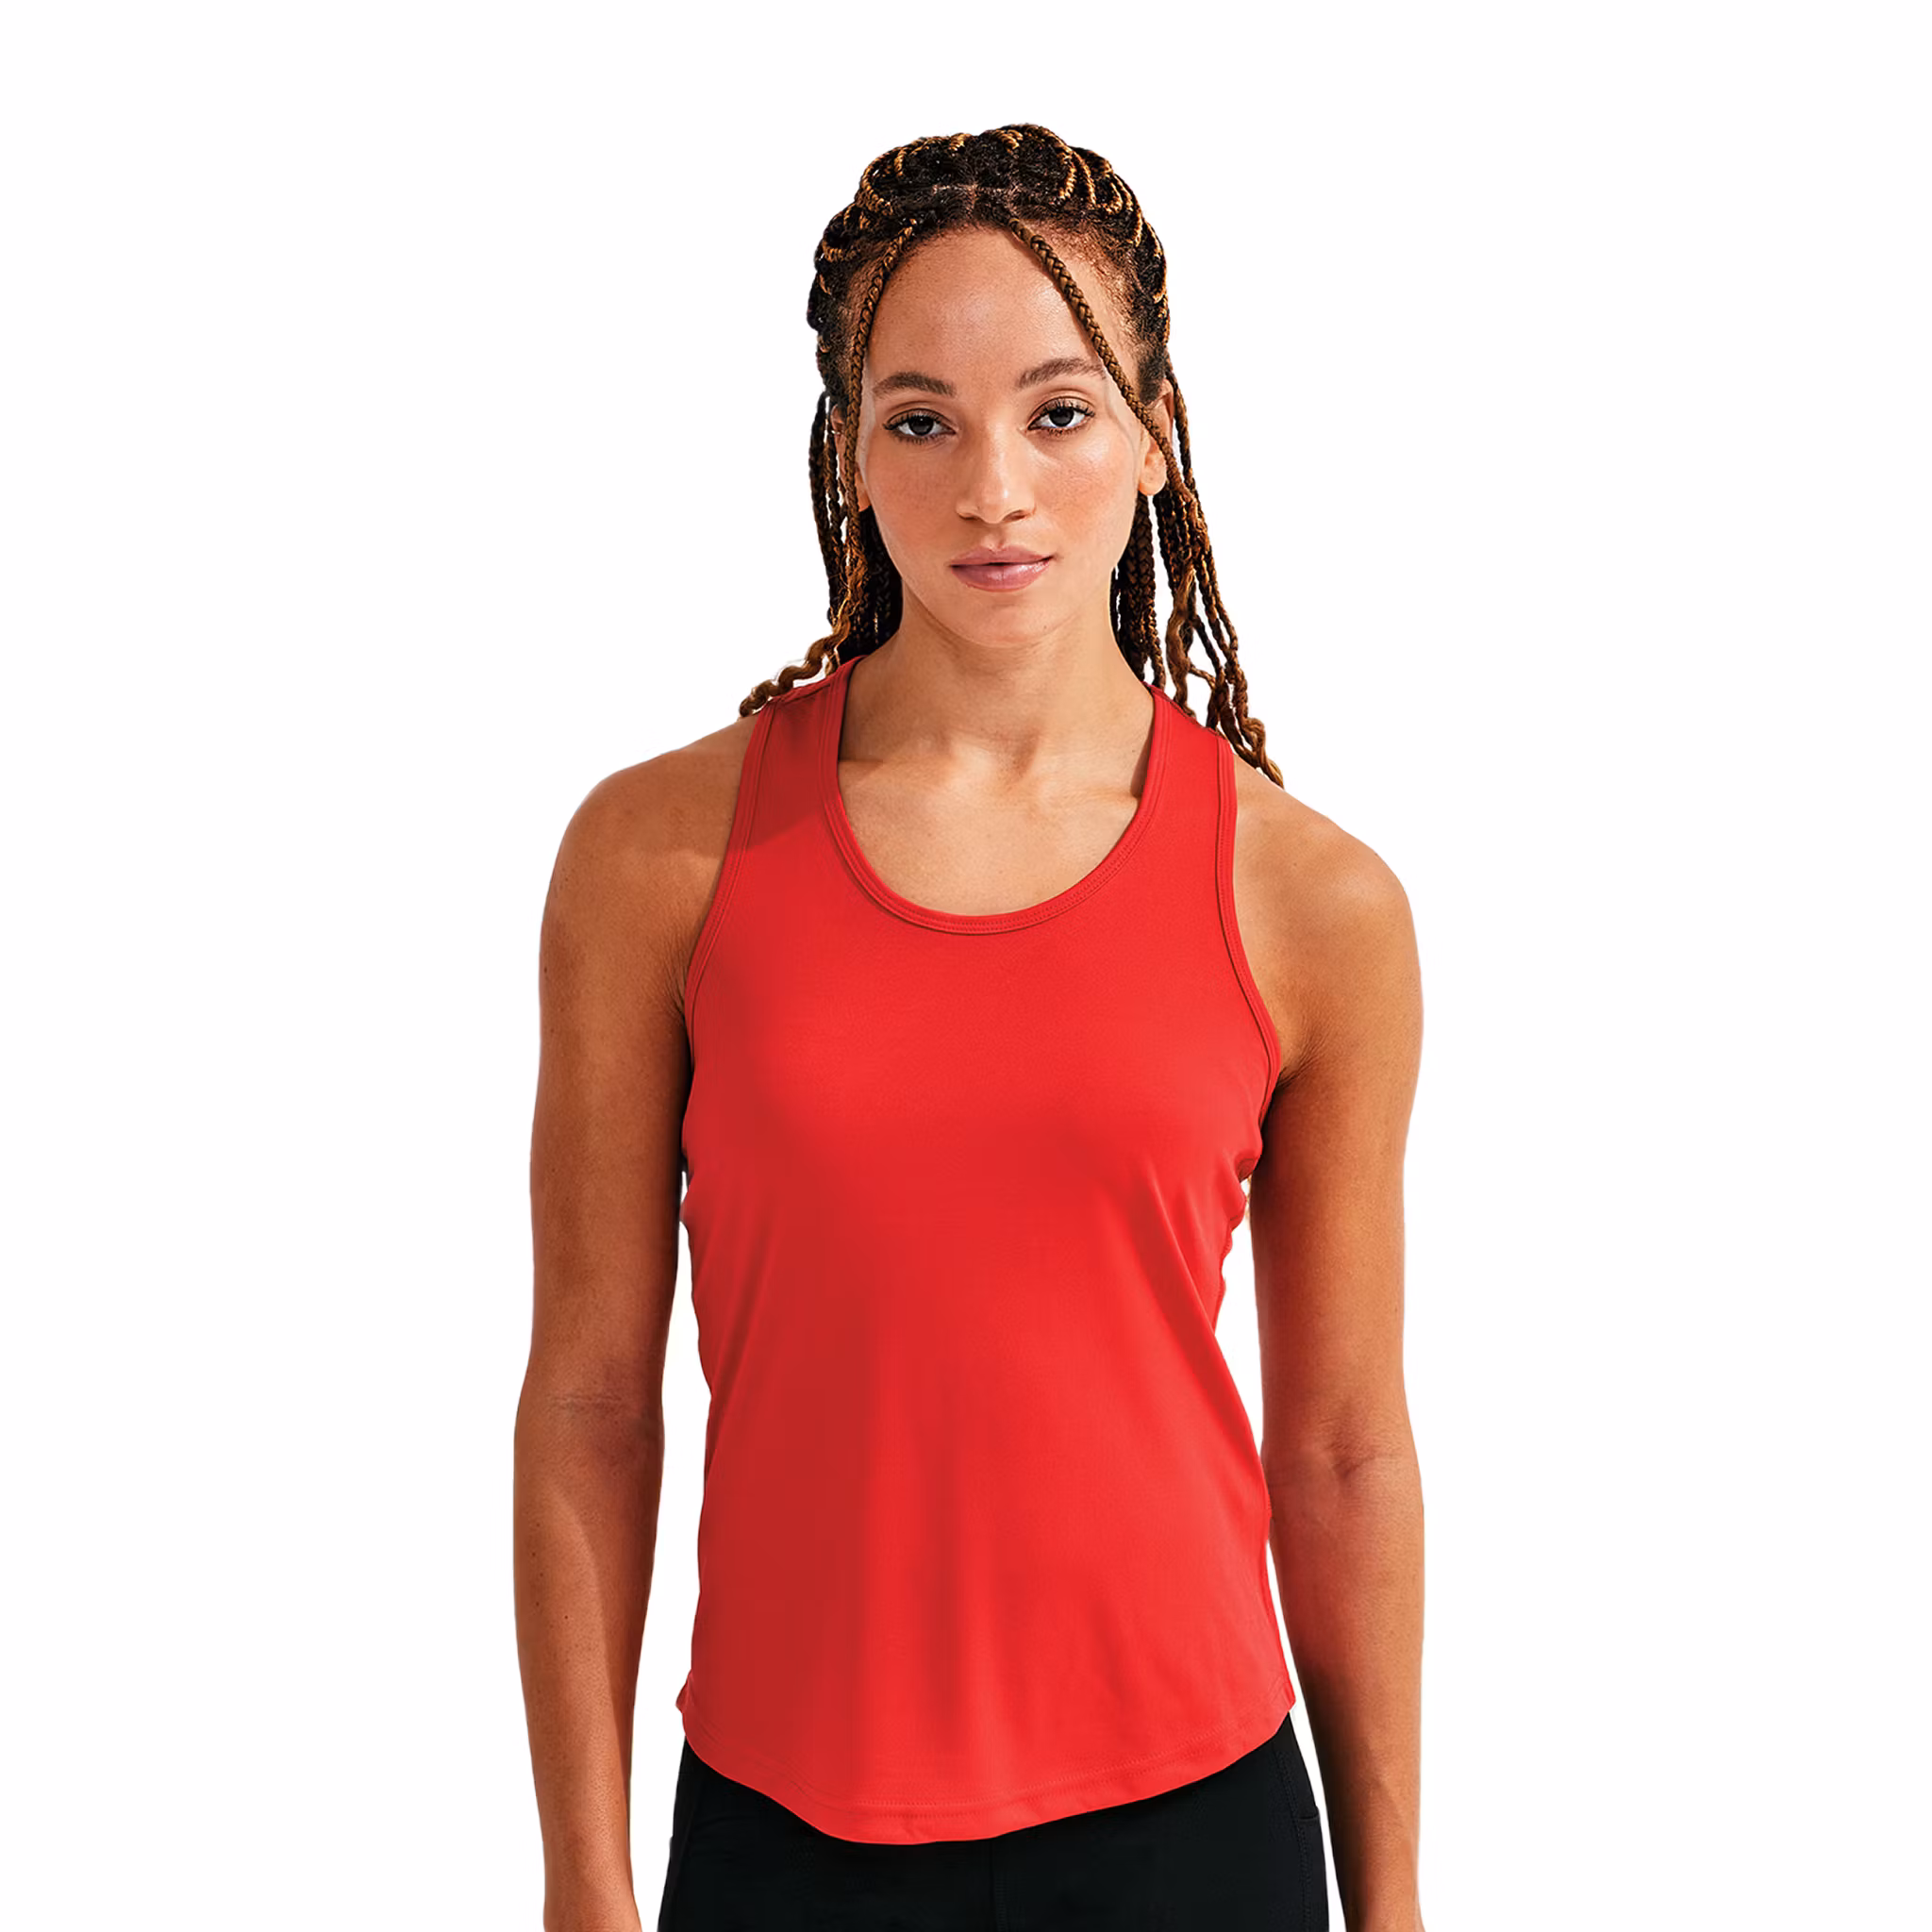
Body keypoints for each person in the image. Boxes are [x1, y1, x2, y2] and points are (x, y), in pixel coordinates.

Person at [515, 124, 1426, 1932]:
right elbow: (594, 1402)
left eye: (1059, 412)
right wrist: (582, 1884)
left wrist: (1391, 1907)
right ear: (849, 453)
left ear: (1154, 433)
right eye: (922, 420)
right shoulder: (661, 859)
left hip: (1194, 1837)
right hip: (783, 1835)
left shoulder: (1311, 902)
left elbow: (1341, 1450)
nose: (994, 487)